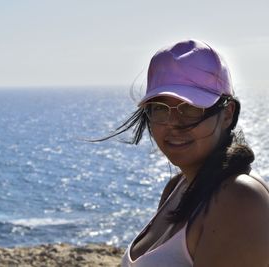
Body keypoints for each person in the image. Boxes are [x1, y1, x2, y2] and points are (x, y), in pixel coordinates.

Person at [104, 39, 269, 266]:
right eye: (161, 108)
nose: (174, 123)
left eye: (190, 108)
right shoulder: (177, 188)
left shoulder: (240, 199)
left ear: (228, 113)